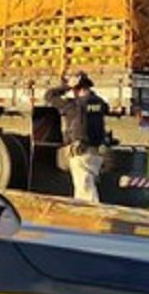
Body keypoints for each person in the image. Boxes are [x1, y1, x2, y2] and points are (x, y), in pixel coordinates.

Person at [45, 71, 109, 203]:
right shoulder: (99, 103)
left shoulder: (74, 106)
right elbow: (103, 106)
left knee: (84, 191)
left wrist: (67, 86)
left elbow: (49, 96)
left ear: (76, 89)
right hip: (96, 153)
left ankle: (91, 219)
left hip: (80, 152)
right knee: (87, 187)